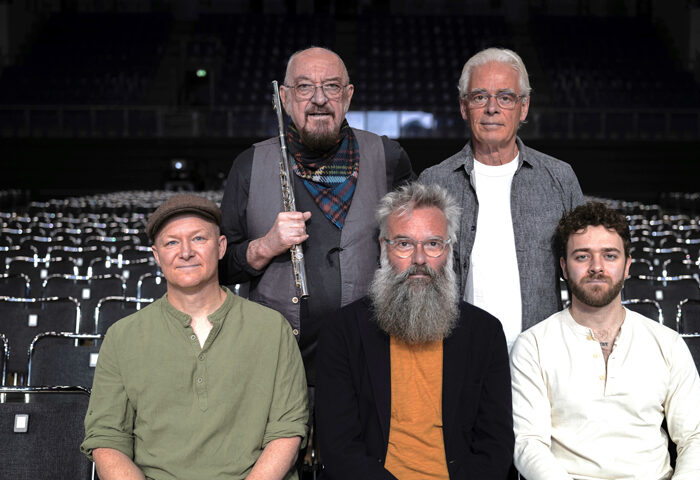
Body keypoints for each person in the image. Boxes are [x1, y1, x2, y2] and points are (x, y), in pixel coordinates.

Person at [220, 46, 414, 383]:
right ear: (284, 97)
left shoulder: (389, 157)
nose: (319, 99)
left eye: (332, 87)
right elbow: (220, 267)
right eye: (304, 87)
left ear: (348, 95)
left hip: (367, 358)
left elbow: (414, 250)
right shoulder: (249, 165)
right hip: (276, 363)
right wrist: (265, 246)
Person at [82, 194, 308, 480]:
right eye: (172, 242)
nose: (185, 252)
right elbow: (107, 439)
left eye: (199, 239)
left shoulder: (272, 328)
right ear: (156, 255)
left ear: (221, 247)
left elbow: (288, 429)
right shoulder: (122, 336)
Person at [315, 182, 514, 479]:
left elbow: (495, 446)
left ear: (448, 250)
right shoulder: (342, 331)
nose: (419, 259)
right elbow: (338, 448)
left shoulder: (484, 334)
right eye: (404, 244)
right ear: (384, 248)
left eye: (432, 244)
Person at [510, 202, 700, 480]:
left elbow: (696, 437)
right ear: (564, 267)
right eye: (582, 257)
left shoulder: (667, 343)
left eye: (609, 255)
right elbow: (528, 443)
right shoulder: (532, 346)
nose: (597, 267)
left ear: (627, 265)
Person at [419, 47, 584, 348]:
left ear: (523, 108)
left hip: (541, 362)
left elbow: (583, 275)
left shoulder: (560, 179)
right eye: (480, 97)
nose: (492, 108)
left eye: (505, 97)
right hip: (460, 360)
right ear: (463, 107)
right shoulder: (433, 182)